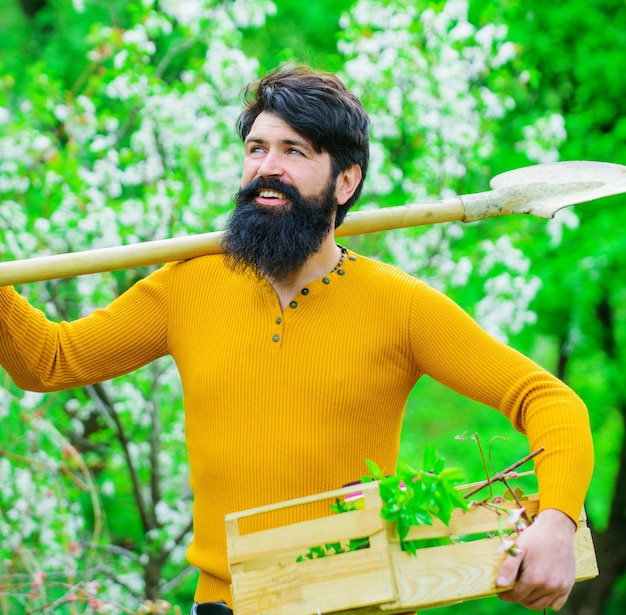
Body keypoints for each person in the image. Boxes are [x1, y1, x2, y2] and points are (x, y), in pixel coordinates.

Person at [0, 64, 593, 614]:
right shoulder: (188, 285)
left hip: (356, 600)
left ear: (345, 181)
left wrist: (558, 521)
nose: (267, 167)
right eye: (256, 149)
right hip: (224, 603)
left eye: (294, 152)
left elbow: (551, 402)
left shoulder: (400, 305)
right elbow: (49, 362)